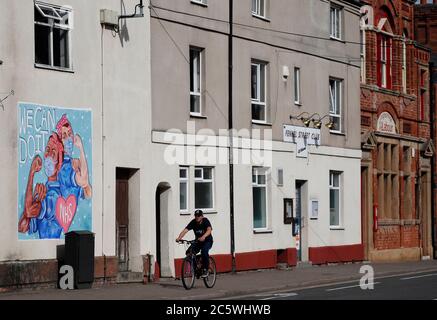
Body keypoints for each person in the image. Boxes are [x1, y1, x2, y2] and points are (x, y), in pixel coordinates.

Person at [18, 133, 64, 239]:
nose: (49, 155)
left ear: (59, 163)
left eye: (53, 152)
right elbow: (22, 227)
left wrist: (32, 172)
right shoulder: (44, 191)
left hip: (52, 252)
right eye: (47, 150)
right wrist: (34, 200)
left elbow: (29, 211)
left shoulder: (54, 196)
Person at [176, 210, 213, 277]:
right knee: (189, 252)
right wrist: (179, 238)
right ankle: (196, 268)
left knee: (204, 251)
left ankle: (206, 269)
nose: (197, 217)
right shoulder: (193, 222)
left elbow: (209, 230)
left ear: (202, 216)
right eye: (196, 215)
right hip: (198, 241)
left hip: (207, 241)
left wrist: (203, 236)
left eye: (199, 216)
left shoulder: (205, 221)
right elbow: (185, 230)